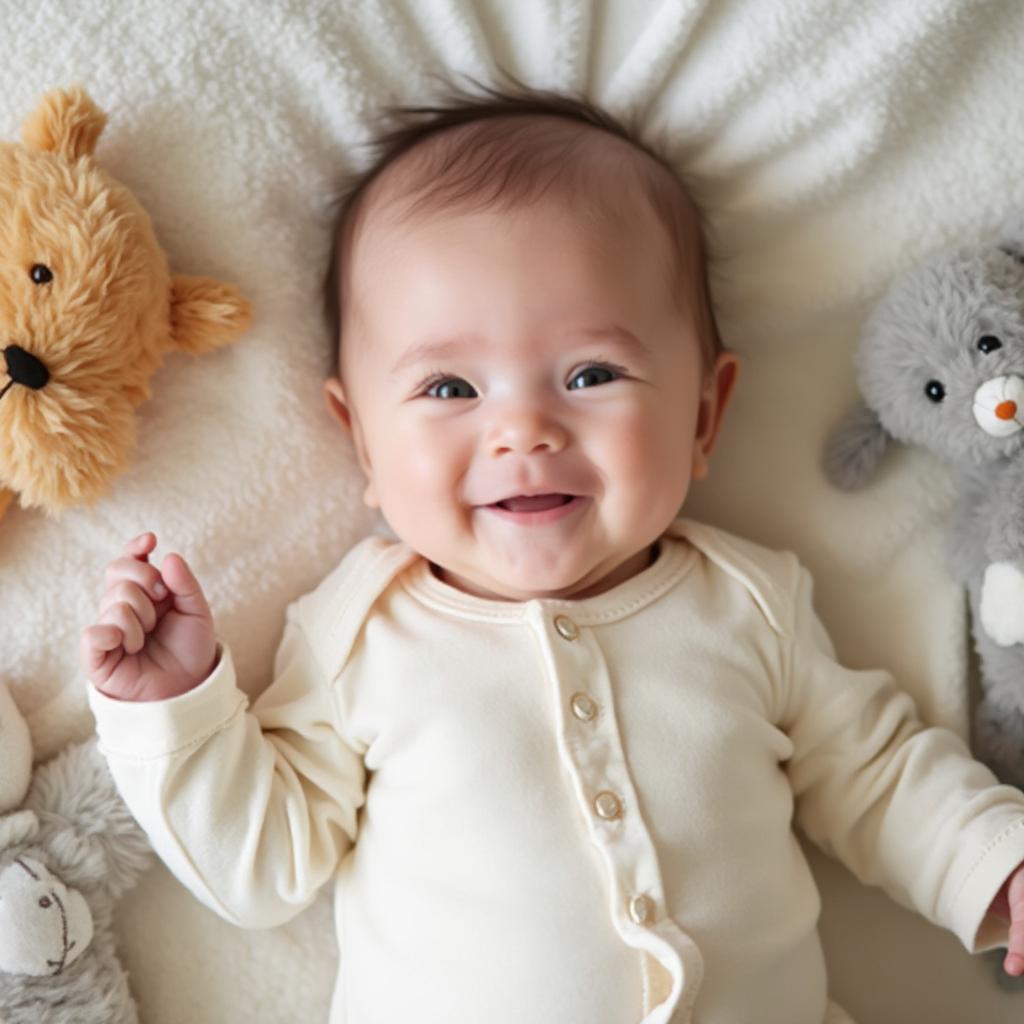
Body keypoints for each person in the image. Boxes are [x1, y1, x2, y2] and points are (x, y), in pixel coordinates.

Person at [81, 83, 1024, 1024]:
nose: (524, 430)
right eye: (450, 386)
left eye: (591, 374)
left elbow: (878, 776)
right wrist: (178, 711)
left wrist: (997, 861)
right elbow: (266, 869)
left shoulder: (749, 601)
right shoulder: (363, 633)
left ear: (703, 412)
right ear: (363, 440)